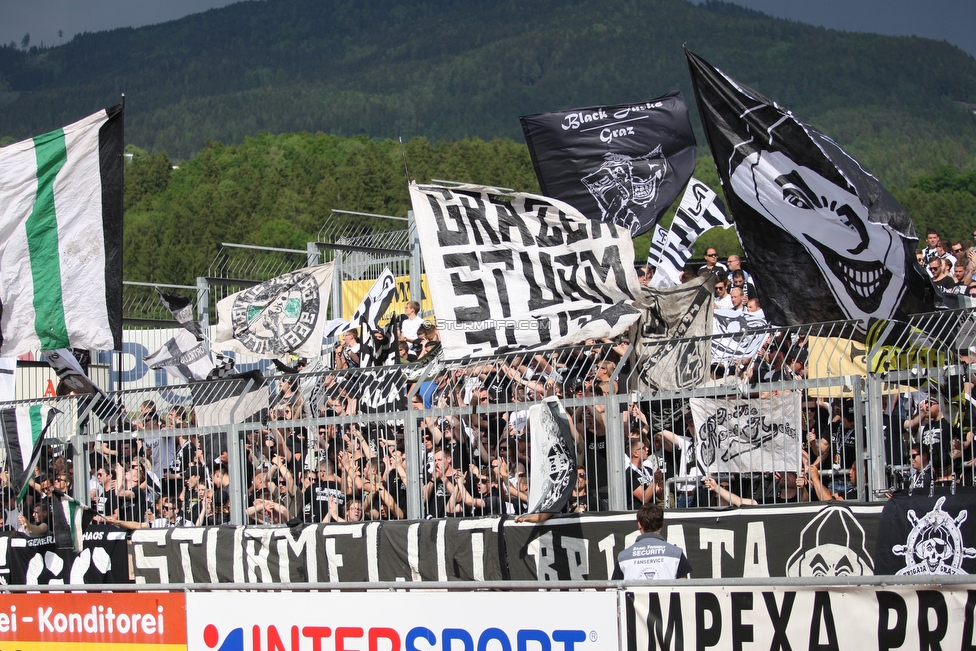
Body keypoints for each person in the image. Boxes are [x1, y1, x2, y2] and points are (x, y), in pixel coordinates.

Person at [613, 503, 692, 580]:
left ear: (639, 525)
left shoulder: (623, 556)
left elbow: (614, 589)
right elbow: (683, 587)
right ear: (662, 524)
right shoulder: (676, 553)